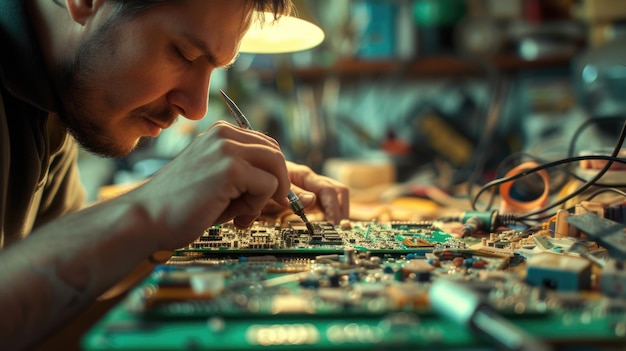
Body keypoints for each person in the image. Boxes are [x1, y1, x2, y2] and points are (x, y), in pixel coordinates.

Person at [0, 0, 350, 349]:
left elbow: (56, 299)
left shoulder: (53, 98)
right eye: (184, 54)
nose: (196, 109)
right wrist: (149, 209)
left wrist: (185, 201)